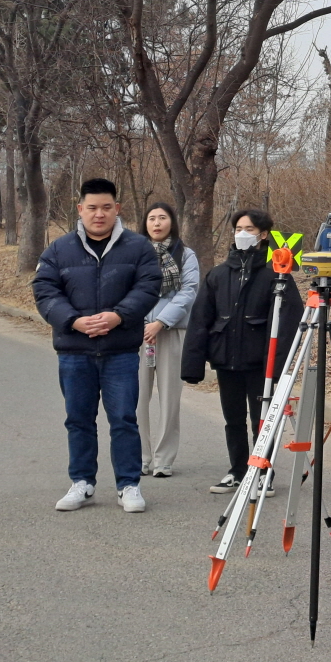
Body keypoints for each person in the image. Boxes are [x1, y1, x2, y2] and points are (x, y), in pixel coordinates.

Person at [33, 178, 163, 514]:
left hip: (120, 350)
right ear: (80, 210)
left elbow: (149, 286)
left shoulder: (138, 248)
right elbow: (45, 291)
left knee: (123, 418)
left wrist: (119, 316)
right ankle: (82, 482)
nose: (99, 214)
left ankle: (128, 485)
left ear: (117, 209)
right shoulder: (59, 250)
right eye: (92, 208)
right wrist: (72, 320)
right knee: (78, 418)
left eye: (106, 207)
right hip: (75, 351)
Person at [180, 208, 304, 494]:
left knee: (261, 419)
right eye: (238, 228)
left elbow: (289, 317)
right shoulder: (219, 274)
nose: (241, 234)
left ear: (263, 235)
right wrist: (193, 364)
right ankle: (237, 470)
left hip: (260, 361)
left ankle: (262, 472)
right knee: (232, 419)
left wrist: (279, 363)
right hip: (226, 360)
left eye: (248, 229)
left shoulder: (277, 273)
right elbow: (200, 320)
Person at [137, 202, 199, 479]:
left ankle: (163, 459)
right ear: (145, 223)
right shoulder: (133, 253)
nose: (157, 223)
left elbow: (189, 291)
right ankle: (140, 456)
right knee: (134, 399)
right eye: (152, 218)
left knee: (170, 399)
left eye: (162, 218)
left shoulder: (186, 255)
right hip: (137, 334)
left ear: (172, 222)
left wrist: (161, 322)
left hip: (172, 332)